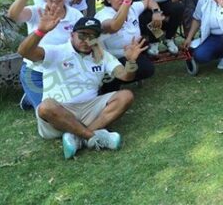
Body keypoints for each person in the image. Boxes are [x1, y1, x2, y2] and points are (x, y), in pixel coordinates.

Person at [18, 11, 147, 159]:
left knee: (126, 96)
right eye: (82, 35)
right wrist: (40, 31)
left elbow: (125, 76)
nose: (86, 41)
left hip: (89, 110)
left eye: (92, 37)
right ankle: (91, 136)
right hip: (59, 114)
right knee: (46, 106)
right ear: (72, 35)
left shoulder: (102, 56)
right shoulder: (57, 51)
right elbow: (24, 51)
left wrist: (131, 61)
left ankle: (78, 137)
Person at [8, 0, 84, 110]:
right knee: (48, 113)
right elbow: (13, 15)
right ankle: (30, 97)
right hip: (36, 71)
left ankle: (30, 98)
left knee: (70, 107)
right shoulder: (36, 12)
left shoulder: (75, 15)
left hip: (64, 70)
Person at [94, 0, 158, 89]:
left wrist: (156, 13)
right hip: (111, 59)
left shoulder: (132, 8)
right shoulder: (102, 15)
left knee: (148, 69)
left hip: (131, 54)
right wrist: (127, 2)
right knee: (110, 88)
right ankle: (111, 81)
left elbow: (149, 2)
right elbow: (114, 26)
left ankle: (157, 43)